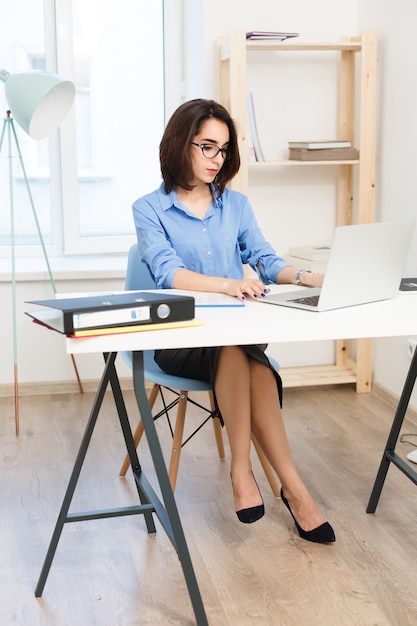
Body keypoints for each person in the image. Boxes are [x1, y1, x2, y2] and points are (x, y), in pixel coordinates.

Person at [132, 98, 335, 543]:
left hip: (236, 333)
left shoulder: (235, 204)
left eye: (223, 150)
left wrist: (308, 275)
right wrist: (227, 285)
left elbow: (264, 260)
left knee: (245, 356)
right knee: (244, 359)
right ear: (179, 143)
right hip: (180, 338)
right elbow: (167, 271)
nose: (216, 159)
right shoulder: (149, 208)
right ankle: (277, 486)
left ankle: (270, 482)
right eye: (206, 146)